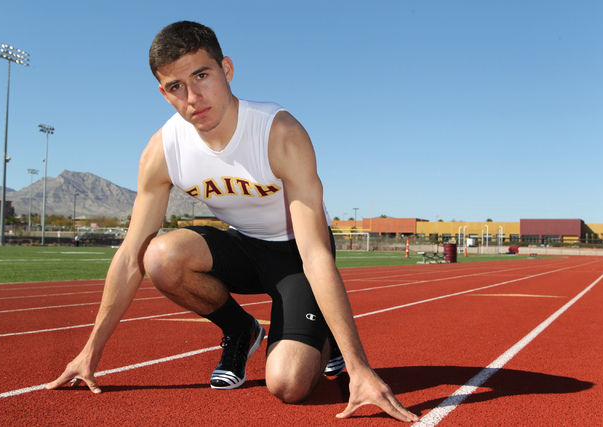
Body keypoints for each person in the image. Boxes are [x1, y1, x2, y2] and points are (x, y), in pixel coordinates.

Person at [47, 21, 418, 423]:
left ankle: (324, 340)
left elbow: (315, 254)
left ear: (227, 68)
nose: (193, 97)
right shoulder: (163, 149)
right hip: (243, 246)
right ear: (163, 92)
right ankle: (241, 330)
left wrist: (359, 364)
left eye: (201, 75)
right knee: (157, 256)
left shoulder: (279, 133)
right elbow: (128, 256)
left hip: (296, 255)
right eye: (176, 87)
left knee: (289, 385)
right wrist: (90, 352)